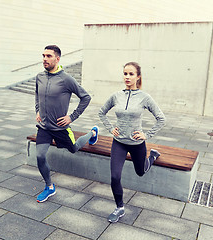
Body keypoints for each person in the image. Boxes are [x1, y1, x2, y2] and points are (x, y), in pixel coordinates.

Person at [98, 62, 166, 223]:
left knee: (140, 172)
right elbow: (102, 112)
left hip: (137, 144)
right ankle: (119, 207)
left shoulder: (144, 97)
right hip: (119, 142)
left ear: (138, 77)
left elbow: (161, 118)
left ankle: (152, 157)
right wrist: (110, 128)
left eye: (131, 74)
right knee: (115, 177)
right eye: (125, 74)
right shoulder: (116, 96)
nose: (127, 77)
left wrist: (146, 135)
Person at [35, 45, 98, 203]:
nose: (44, 59)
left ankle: (92, 133)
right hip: (44, 127)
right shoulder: (39, 77)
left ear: (57, 59)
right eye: (43, 55)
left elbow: (86, 97)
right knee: (40, 156)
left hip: (60, 128)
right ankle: (50, 187)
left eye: (48, 56)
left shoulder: (66, 79)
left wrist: (72, 117)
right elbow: (37, 94)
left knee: (74, 148)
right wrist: (37, 110)